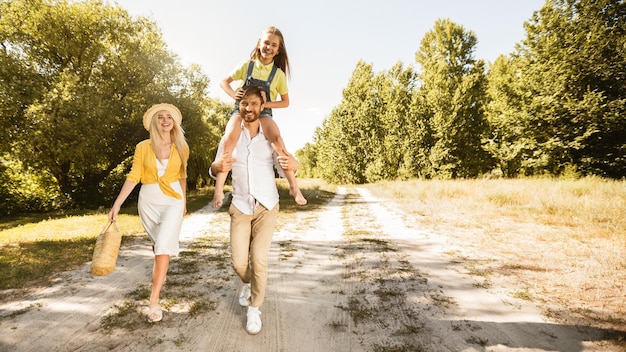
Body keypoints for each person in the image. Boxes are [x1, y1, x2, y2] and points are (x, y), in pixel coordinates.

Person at [209, 86, 299, 335]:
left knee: (259, 259)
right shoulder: (231, 136)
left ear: (262, 107)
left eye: (254, 104)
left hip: (267, 206)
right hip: (240, 205)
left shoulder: (269, 137)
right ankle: (248, 283)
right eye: (244, 104)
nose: (248, 108)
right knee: (239, 262)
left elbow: (285, 165)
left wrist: (295, 165)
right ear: (240, 106)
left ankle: (254, 308)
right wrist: (215, 169)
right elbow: (219, 166)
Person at [108, 103, 189, 323]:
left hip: (173, 199)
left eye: (169, 117)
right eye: (161, 117)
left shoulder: (181, 146)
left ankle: (154, 300)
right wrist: (117, 205)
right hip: (149, 201)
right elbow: (134, 175)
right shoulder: (143, 146)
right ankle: (160, 270)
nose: (165, 120)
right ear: (155, 122)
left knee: (163, 245)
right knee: (160, 248)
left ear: (174, 122)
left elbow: (182, 175)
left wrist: (184, 203)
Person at [212, 26, 307, 208]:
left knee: (278, 141)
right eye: (266, 43)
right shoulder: (246, 66)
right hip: (240, 110)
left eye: (273, 45)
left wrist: (264, 105)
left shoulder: (278, 75)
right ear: (259, 44)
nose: (269, 47)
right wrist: (234, 95)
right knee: (229, 140)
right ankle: (218, 189)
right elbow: (223, 82)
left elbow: (285, 102)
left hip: (263, 112)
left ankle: (294, 187)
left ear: (278, 50)